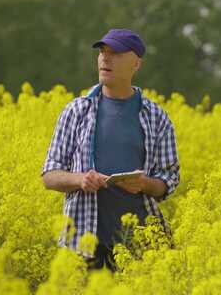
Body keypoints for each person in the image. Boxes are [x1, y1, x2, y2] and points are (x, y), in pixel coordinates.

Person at [41, 29, 180, 272]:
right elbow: (49, 175)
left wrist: (144, 184)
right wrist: (81, 179)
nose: (105, 59)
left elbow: (170, 179)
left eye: (115, 53)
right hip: (82, 237)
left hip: (138, 240)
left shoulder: (157, 117)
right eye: (103, 52)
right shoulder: (76, 111)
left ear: (136, 63)